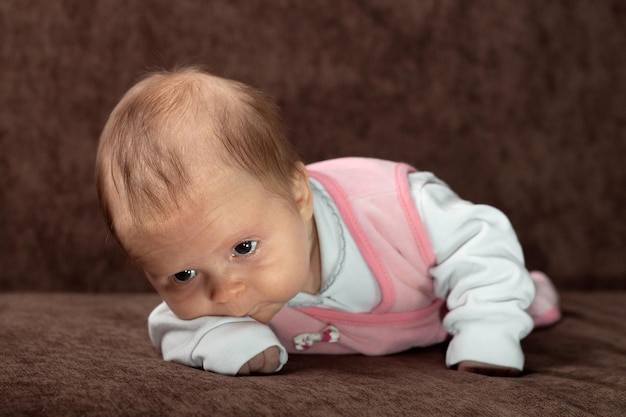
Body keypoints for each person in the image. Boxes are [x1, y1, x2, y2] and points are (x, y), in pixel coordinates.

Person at [95, 67, 561, 377]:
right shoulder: (209, 302)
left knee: (505, 290)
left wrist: (487, 329)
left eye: (244, 249)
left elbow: (480, 239)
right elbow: (168, 325)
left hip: (448, 300)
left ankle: (511, 302)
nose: (226, 295)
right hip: (397, 328)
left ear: (298, 196)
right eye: (183, 275)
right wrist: (230, 340)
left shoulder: (393, 207)